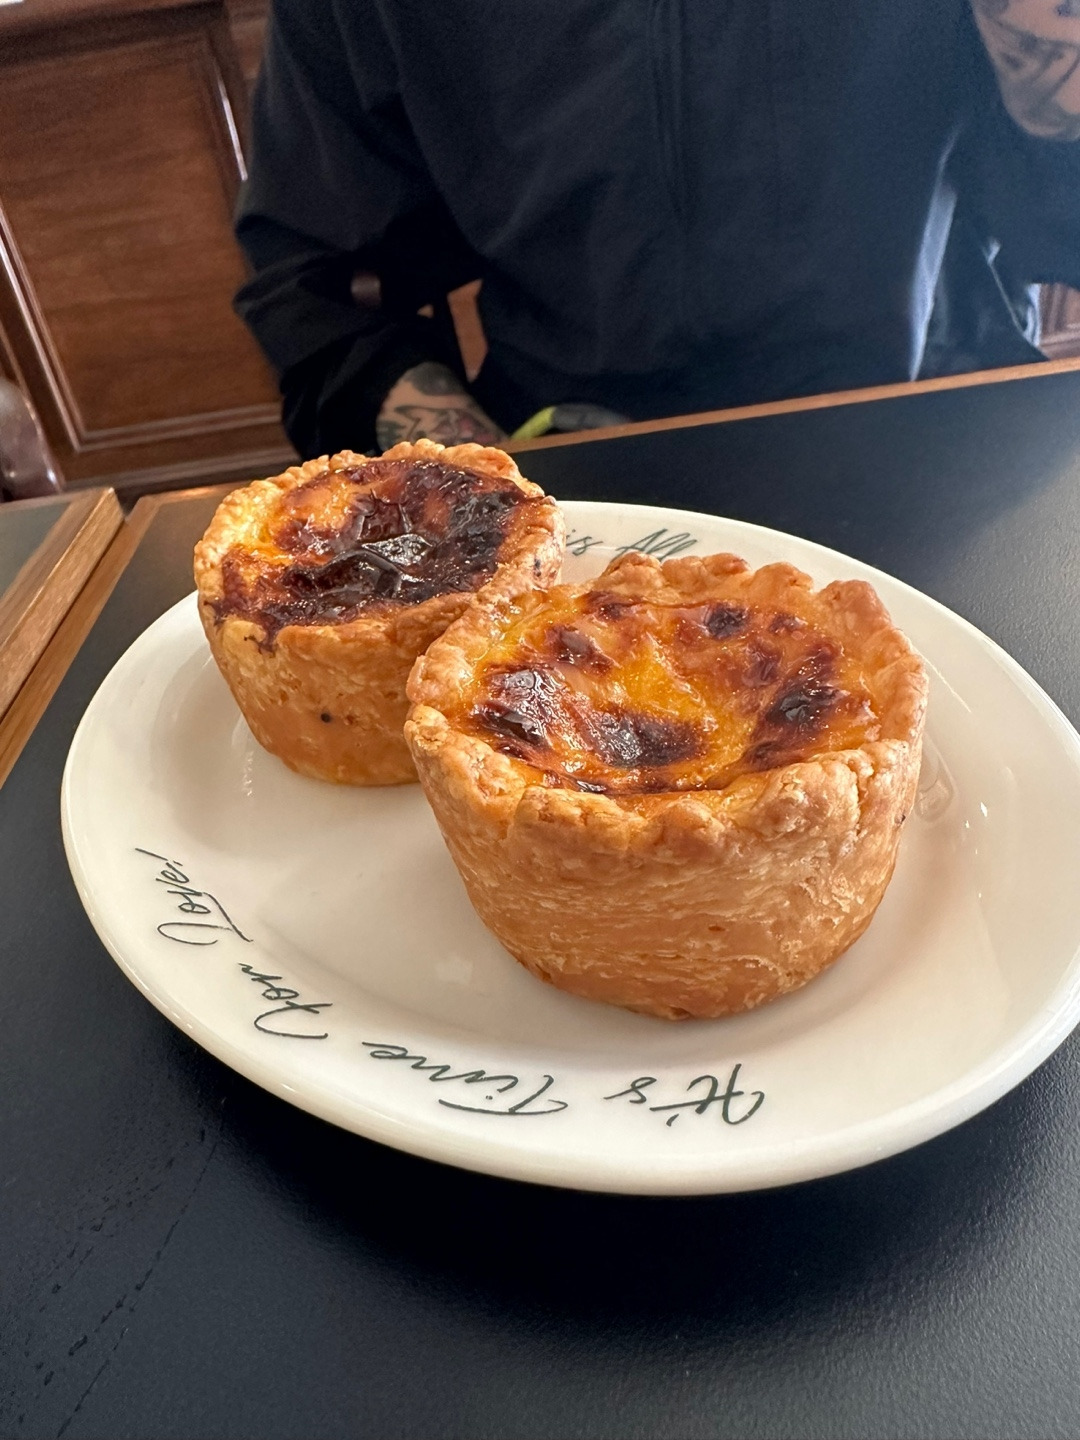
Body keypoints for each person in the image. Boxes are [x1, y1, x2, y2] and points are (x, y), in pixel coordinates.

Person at [234, 0, 1080, 460]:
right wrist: (491, 492)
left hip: (934, 431)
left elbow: (1060, 238)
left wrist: (1039, 58)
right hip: (567, 458)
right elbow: (314, 284)